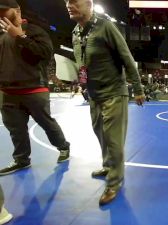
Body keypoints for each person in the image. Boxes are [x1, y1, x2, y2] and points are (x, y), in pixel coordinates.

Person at [65, 0, 145, 205]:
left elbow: (126, 57)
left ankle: (114, 181)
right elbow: (82, 63)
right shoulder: (75, 32)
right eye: (67, 1)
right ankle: (108, 165)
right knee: (99, 132)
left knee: (113, 139)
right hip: (94, 95)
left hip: (114, 93)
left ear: (89, 5)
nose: (68, 4)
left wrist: (138, 88)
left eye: (74, 1)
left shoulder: (105, 26)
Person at [0, 0, 70, 176]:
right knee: (16, 129)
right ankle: (21, 159)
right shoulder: (1, 36)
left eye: (4, 11)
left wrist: (20, 37)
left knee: (46, 123)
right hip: (8, 92)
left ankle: (63, 147)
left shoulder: (34, 31)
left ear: (16, 11)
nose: (0, 15)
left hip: (34, 89)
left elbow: (45, 53)